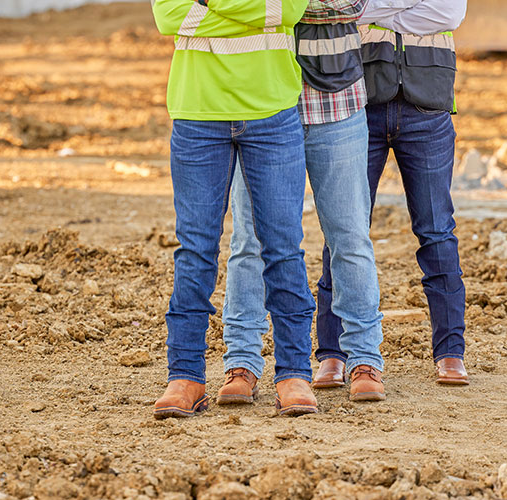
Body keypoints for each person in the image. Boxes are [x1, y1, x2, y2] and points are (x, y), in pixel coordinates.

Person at [150, 0, 319, 418]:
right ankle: (185, 375)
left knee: (282, 247)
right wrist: (250, 8)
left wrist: (210, 5)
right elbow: (168, 15)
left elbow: (286, 11)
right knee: (195, 250)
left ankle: (294, 374)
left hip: (271, 112)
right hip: (197, 112)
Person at [218, 0, 387, 407]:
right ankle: (241, 361)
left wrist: (269, 6)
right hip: (261, 105)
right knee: (249, 240)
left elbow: (351, 4)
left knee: (350, 237)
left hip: (338, 105)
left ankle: (365, 358)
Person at [314, 0, 471, 386]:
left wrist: (376, 9)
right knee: (344, 230)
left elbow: (449, 13)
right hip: (359, 101)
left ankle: (450, 352)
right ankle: (332, 353)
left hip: (428, 106)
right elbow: (347, 9)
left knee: (437, 232)